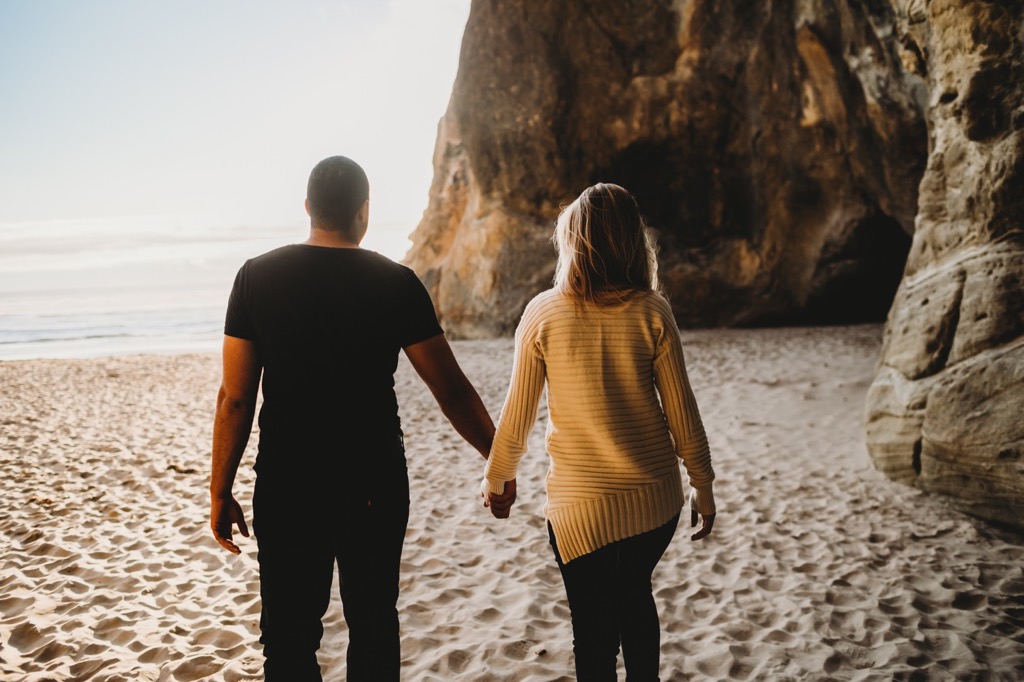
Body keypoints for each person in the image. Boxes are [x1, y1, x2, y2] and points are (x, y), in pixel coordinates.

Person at [209, 155, 505, 680]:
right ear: (365, 212)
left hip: (288, 484)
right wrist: (498, 460)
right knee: (372, 625)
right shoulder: (396, 283)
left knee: (289, 637)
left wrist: (220, 489)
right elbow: (451, 391)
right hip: (375, 484)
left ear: (307, 208)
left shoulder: (255, 278)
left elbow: (236, 398)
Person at [482, 182, 717, 681]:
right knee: (634, 597)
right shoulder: (653, 311)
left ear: (572, 241)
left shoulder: (542, 314)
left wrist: (496, 479)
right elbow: (683, 414)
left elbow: (516, 417)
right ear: (634, 242)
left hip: (577, 509)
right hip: (653, 503)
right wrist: (703, 486)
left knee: (591, 628)